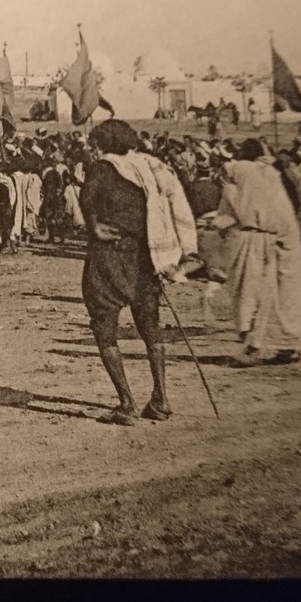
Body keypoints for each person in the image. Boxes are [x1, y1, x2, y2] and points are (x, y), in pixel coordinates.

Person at [79, 120, 173, 425]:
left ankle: (126, 403)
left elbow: (86, 199)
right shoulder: (142, 169)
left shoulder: (103, 168)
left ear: (103, 142)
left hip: (110, 255)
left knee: (104, 323)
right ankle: (160, 398)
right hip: (143, 254)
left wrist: (94, 227)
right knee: (150, 324)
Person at [212, 138, 301, 365]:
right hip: (284, 242)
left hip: (256, 242)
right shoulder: (271, 174)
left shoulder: (240, 171)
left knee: (252, 296)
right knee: (283, 299)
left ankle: (252, 348)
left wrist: (219, 219)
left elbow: (237, 208)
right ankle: (287, 348)